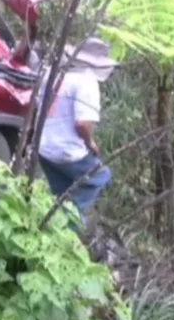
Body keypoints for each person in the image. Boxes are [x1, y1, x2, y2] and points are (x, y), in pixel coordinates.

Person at [37, 37, 117, 233]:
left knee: (62, 191)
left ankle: (49, 224)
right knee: (100, 176)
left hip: (44, 148)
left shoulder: (53, 74)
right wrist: (91, 143)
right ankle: (68, 227)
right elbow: (82, 123)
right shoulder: (86, 81)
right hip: (67, 151)